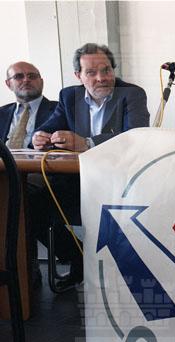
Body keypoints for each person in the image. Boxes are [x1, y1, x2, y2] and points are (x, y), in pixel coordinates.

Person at [31, 43, 150, 290]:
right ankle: (79, 259)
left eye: (106, 70)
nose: (101, 78)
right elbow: (49, 127)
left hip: (118, 184)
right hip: (76, 182)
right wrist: (39, 136)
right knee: (31, 205)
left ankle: (118, 274)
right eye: (91, 72)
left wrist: (87, 143)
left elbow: (136, 135)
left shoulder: (132, 94)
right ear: (78, 76)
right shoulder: (69, 96)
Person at [1, 62, 57, 149]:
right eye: (18, 76)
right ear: (9, 84)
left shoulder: (61, 110)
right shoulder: (1, 113)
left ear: (41, 82)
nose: (26, 80)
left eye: (32, 76)